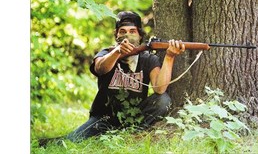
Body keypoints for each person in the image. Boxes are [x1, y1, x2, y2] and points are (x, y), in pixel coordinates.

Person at [39, 11, 185, 145]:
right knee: (72, 141)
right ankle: (43, 143)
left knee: (163, 100)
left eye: (132, 31)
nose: (127, 35)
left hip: (134, 118)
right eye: (123, 31)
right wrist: (117, 52)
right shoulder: (106, 53)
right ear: (116, 35)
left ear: (140, 35)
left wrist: (170, 56)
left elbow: (160, 89)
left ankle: (133, 134)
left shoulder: (148, 59)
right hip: (103, 118)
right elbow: (100, 68)